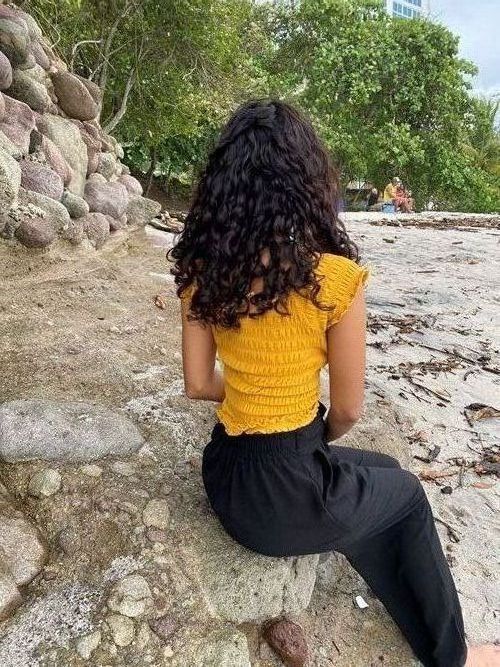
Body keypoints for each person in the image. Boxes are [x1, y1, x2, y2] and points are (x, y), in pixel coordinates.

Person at [170, 99, 499, 667]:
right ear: (308, 184)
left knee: (384, 470)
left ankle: (361, 545)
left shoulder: (204, 274)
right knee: (409, 496)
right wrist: (307, 427)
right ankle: (455, 657)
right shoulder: (333, 280)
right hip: (282, 502)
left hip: (226, 476)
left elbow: (198, 384)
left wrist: (258, 395)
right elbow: (347, 410)